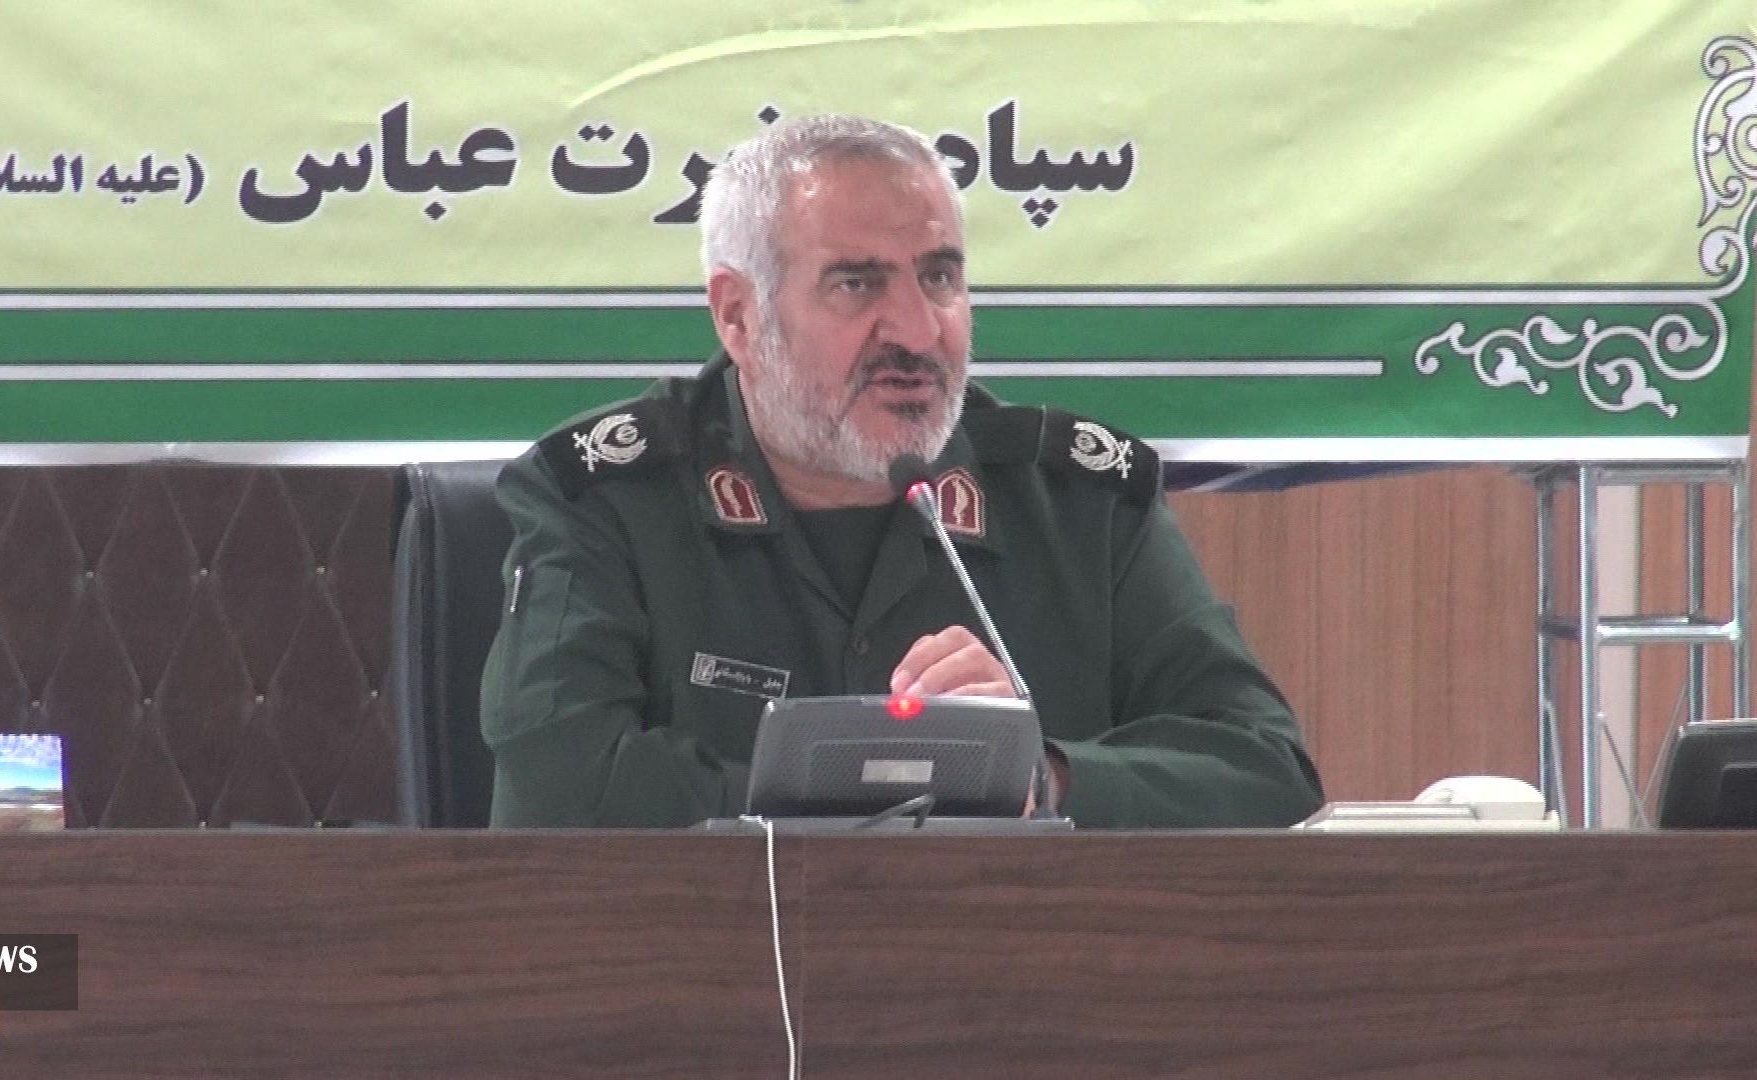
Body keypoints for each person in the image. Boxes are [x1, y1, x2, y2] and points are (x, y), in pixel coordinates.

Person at [479, 114, 1323, 828]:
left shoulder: (1081, 503)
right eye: (857, 285)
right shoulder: (601, 499)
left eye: (940, 277)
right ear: (739, 315)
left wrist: (1041, 778)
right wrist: (911, 791)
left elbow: (1269, 770)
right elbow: (559, 792)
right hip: (698, 968)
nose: (918, 333)